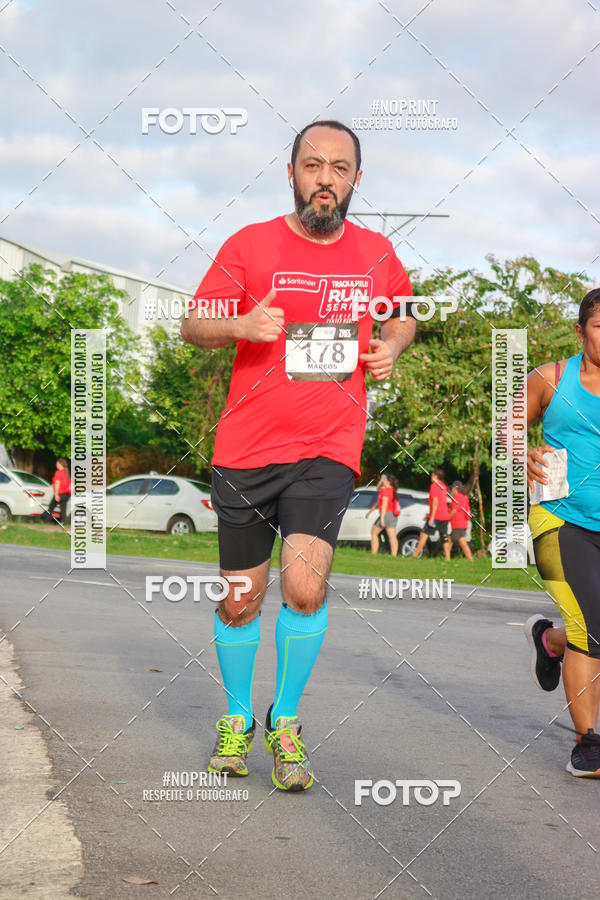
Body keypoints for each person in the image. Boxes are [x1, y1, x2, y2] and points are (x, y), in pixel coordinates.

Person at [181, 120, 416, 791]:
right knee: (240, 600)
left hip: (328, 446)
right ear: (291, 172)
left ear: (356, 180)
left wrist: (392, 346)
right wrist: (240, 325)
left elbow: (402, 313)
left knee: (305, 586)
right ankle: (236, 719)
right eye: (313, 165)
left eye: (339, 168)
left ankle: (284, 722)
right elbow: (193, 324)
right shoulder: (249, 244)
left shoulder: (375, 251)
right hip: (247, 448)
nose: (325, 179)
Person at [523, 288, 600, 777]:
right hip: (560, 518)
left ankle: (548, 643)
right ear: (580, 330)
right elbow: (506, 430)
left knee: (584, 630)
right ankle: (588, 743)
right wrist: (520, 453)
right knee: (590, 629)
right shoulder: (550, 378)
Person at [412, 467, 451, 560]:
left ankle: (415, 555)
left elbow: (435, 502)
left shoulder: (434, 486)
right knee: (444, 536)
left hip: (436, 516)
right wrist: (429, 515)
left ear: (435, 476)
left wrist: (432, 517)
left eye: (432, 474)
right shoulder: (443, 486)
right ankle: (448, 558)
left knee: (424, 533)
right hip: (444, 516)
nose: (431, 476)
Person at [366, 473, 400, 556]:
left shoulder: (386, 491)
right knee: (392, 536)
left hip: (386, 515)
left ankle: (374, 553)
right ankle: (394, 555)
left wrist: (382, 519)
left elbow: (384, 505)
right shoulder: (392, 490)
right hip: (392, 515)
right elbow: (378, 489)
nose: (383, 481)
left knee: (374, 532)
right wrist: (381, 482)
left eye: (385, 480)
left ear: (388, 482)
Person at [448, 480, 474, 561]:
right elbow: (468, 511)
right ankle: (446, 557)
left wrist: (447, 517)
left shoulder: (456, 497)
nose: (452, 489)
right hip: (462, 522)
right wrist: (467, 521)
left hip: (457, 523)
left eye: (452, 487)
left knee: (462, 542)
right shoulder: (464, 497)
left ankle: (470, 559)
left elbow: (454, 510)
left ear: (456, 488)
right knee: (450, 540)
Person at [47, 458, 71, 524]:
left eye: (57, 463)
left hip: (60, 494)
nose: (56, 465)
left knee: (51, 508)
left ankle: (46, 521)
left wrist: (56, 494)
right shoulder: (66, 473)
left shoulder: (58, 472)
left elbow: (57, 483)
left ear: (60, 464)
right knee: (63, 510)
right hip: (66, 495)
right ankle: (66, 523)